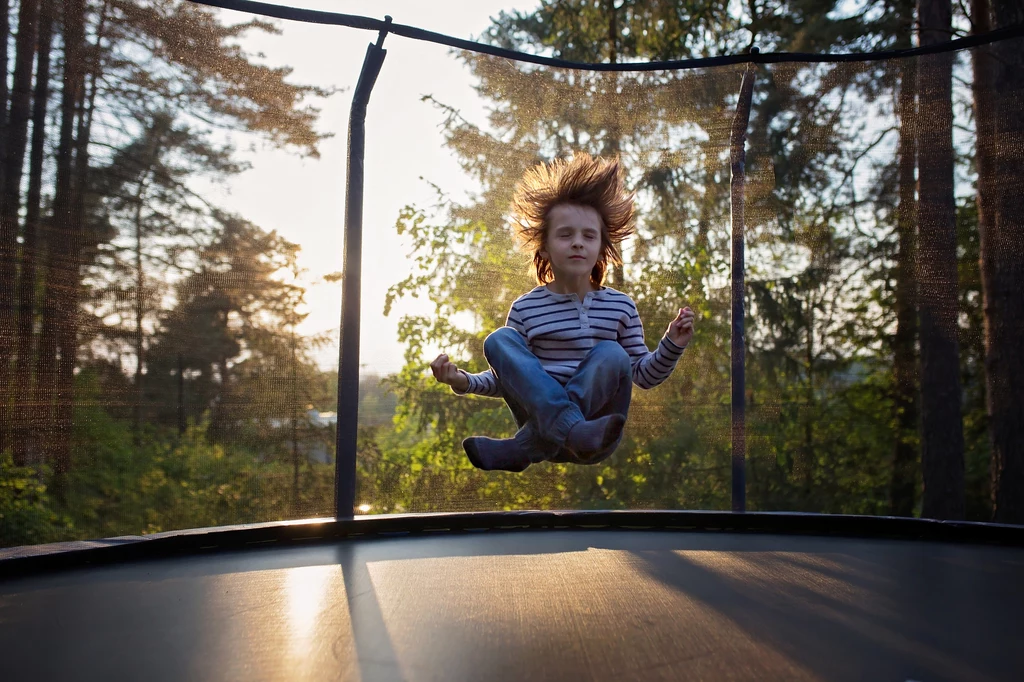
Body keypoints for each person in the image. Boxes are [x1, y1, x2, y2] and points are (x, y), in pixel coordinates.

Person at [429, 153, 695, 472]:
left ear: (601, 248)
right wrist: (463, 380)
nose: (578, 244)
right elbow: (508, 380)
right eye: (565, 235)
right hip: (539, 420)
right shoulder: (526, 308)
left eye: (589, 236)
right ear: (543, 246)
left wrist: (672, 344)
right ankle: (562, 430)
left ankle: (525, 447)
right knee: (499, 340)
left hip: (597, 434)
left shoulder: (620, 306)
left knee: (612, 353)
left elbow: (643, 375)